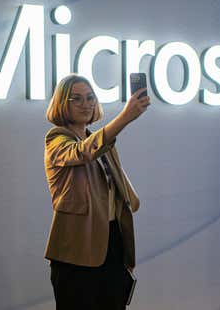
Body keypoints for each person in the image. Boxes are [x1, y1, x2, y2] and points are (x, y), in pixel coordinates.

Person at [44, 74, 150, 309]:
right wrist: (125, 118)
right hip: (76, 248)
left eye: (90, 97)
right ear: (63, 103)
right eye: (77, 99)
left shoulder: (101, 141)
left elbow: (123, 193)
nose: (86, 104)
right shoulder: (56, 139)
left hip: (111, 243)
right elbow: (81, 153)